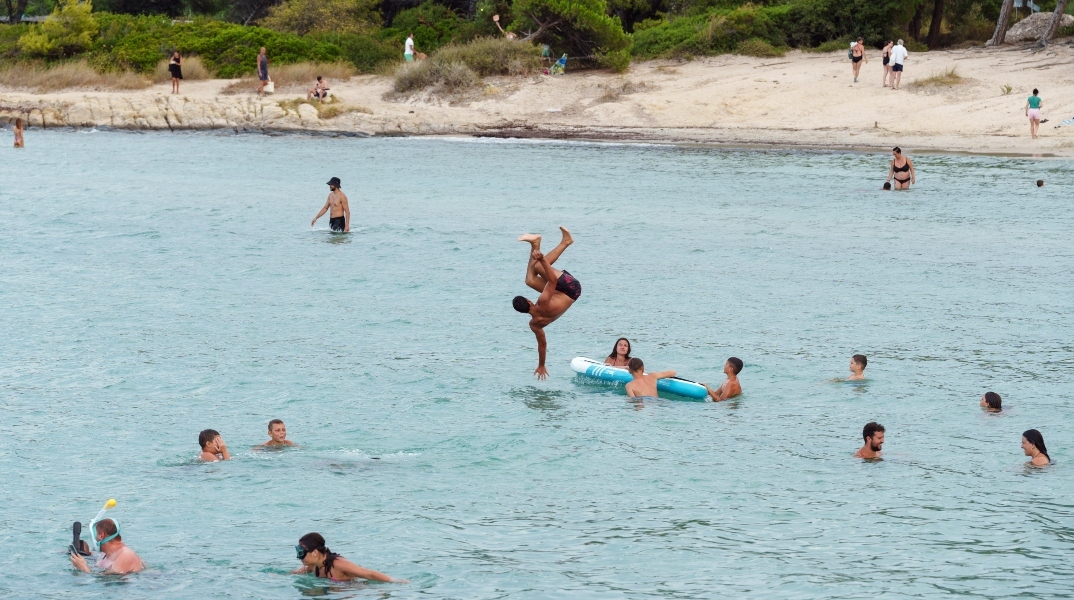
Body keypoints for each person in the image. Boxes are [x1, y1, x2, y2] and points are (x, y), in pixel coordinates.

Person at [514, 227, 579, 380]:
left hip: (566, 295)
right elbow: (553, 280)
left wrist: (541, 364)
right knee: (537, 266)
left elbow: (542, 345)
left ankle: (535, 243)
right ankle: (566, 242)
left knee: (530, 280)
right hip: (572, 288)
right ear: (529, 301)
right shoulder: (542, 301)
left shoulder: (535, 324)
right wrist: (542, 259)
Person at [293, 533, 407, 583]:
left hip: (355, 591)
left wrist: (394, 581)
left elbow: (369, 574)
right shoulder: (313, 566)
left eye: (301, 552)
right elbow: (294, 573)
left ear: (315, 552)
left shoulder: (338, 564)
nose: (299, 557)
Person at [70, 518, 144, 574]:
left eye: (95, 535)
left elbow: (110, 583)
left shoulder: (125, 555)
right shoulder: (104, 554)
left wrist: (84, 568)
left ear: (102, 535)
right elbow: (100, 572)